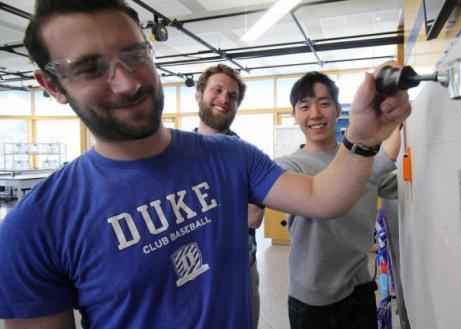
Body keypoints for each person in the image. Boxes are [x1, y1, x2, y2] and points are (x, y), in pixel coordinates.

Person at [0, 0, 411, 328]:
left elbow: (323, 197)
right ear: (52, 85)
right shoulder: (34, 227)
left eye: (134, 55)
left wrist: (361, 135)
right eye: (90, 68)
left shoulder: (232, 156)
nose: (127, 81)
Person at [275, 71, 401, 329]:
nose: (315, 114)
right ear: (294, 115)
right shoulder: (288, 166)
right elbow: (328, 190)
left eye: (323, 103)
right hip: (312, 297)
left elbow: (396, 185)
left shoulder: (364, 158)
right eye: (304, 106)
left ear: (336, 109)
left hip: (359, 288)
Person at [193, 63, 264, 329]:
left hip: (239, 269)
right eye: (217, 90)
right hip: (193, 269)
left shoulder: (246, 154)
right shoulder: (178, 153)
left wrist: (196, 209)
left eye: (232, 95)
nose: (224, 99)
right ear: (199, 94)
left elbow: (254, 216)